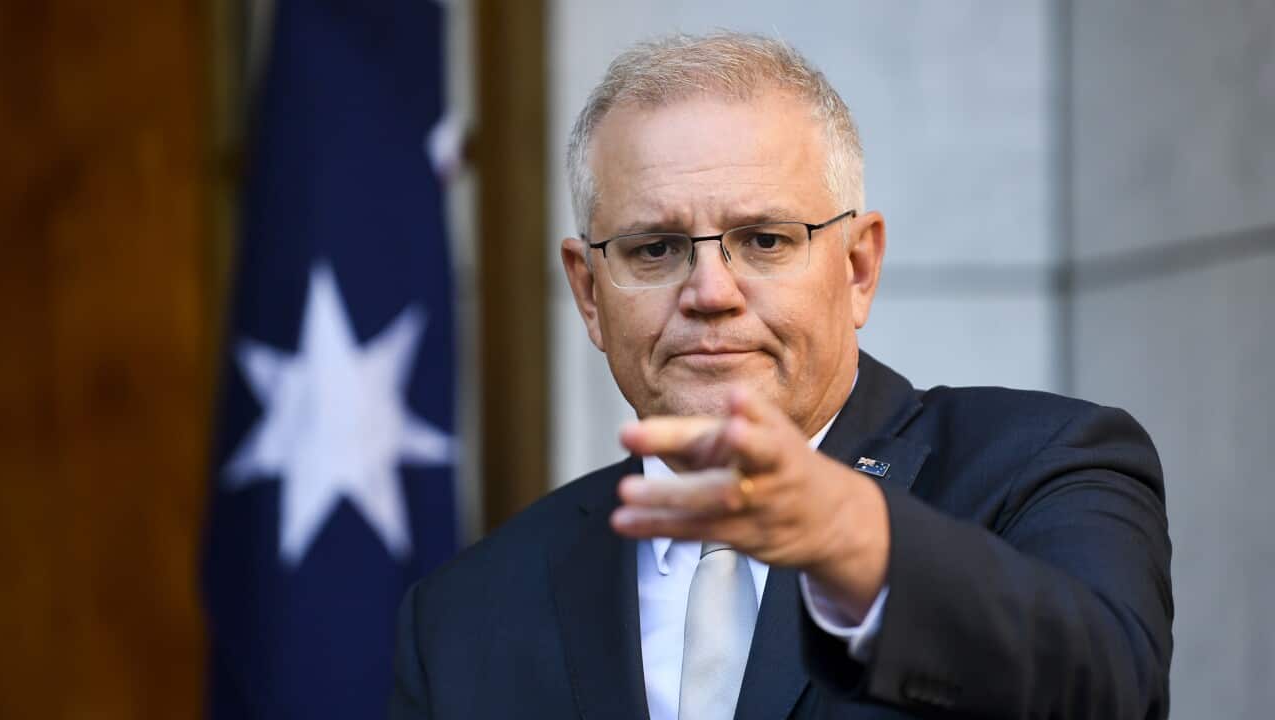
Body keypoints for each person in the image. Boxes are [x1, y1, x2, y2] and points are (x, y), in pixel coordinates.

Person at [389, 32, 1172, 719]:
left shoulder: (1046, 464)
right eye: (655, 249)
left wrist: (853, 539)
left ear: (858, 267)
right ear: (590, 294)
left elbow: (1112, 689)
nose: (710, 293)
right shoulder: (461, 615)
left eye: (763, 240)